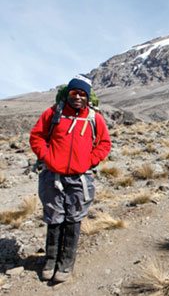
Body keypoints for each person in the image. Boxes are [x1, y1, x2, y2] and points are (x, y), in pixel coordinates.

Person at [29, 75, 111, 282]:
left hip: (80, 177)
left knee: (74, 218)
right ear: (68, 93)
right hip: (53, 175)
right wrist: (47, 156)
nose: (78, 97)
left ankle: (66, 263)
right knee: (54, 216)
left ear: (87, 97)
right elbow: (36, 136)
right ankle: (50, 260)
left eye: (82, 94)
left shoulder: (94, 118)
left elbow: (104, 143)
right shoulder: (53, 113)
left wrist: (90, 161)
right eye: (74, 93)